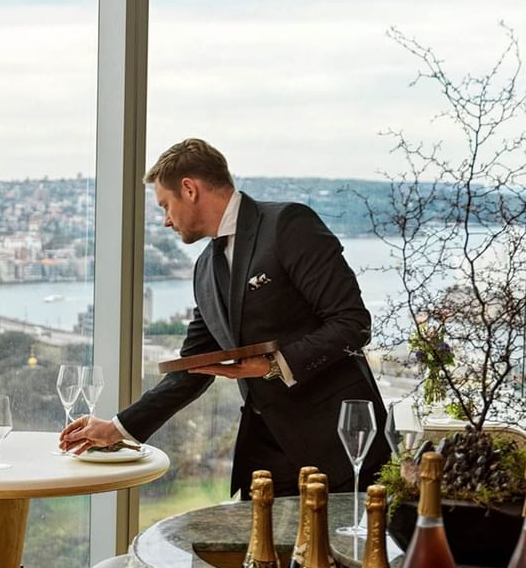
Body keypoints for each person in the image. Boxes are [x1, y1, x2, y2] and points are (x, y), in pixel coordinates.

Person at [59, 138, 389, 498]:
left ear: (189, 189)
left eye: (165, 206)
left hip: (339, 446)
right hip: (265, 457)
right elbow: (190, 370)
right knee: (258, 555)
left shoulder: (288, 224)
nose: (166, 220)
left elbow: (352, 323)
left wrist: (273, 365)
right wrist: (116, 427)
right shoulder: (205, 270)